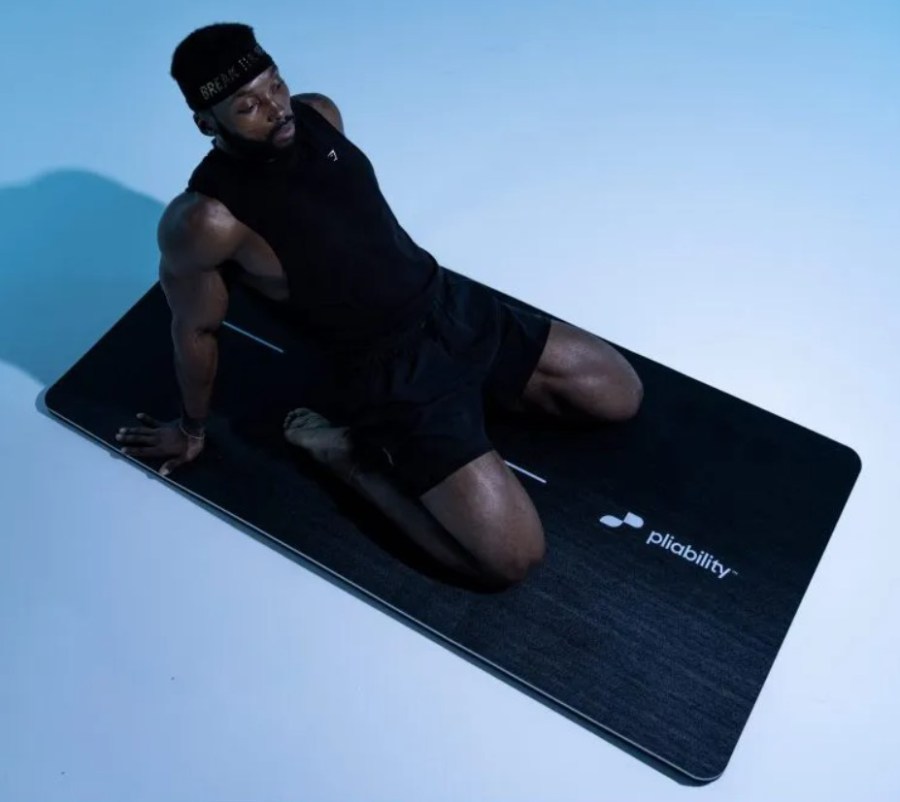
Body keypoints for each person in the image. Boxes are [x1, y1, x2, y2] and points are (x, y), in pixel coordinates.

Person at [115, 22, 644, 591]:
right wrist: (192, 429)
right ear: (205, 124)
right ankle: (352, 459)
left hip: (452, 306)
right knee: (512, 561)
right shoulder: (206, 221)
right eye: (248, 106)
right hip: (393, 376)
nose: (276, 109)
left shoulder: (319, 113)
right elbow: (195, 330)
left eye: (275, 85)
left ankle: (480, 402)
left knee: (620, 395)